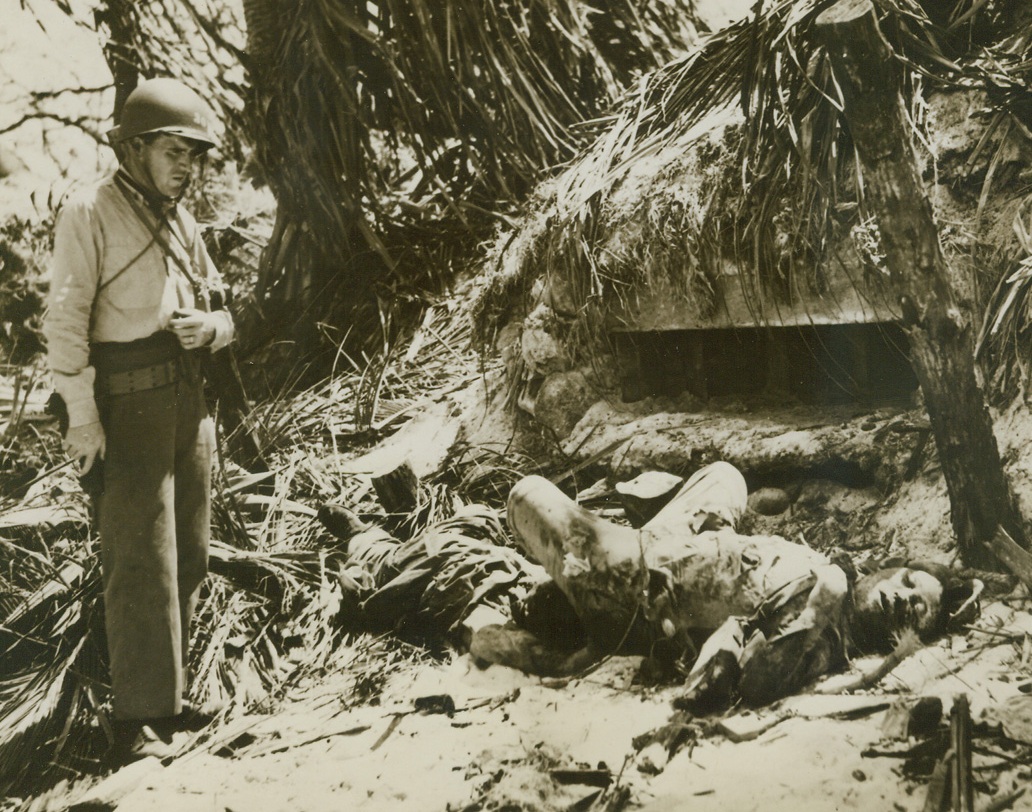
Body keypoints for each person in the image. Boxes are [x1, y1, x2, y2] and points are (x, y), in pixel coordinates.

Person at [43, 77, 234, 762]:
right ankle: (139, 722)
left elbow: (223, 305)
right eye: (174, 152)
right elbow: (64, 320)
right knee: (139, 559)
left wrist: (210, 329)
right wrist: (83, 419)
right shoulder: (89, 211)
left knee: (188, 548)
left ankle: (173, 705)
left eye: (194, 155)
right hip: (126, 402)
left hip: (187, 398)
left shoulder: (178, 217)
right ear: (134, 147)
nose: (188, 167)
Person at [470, 462, 983, 710]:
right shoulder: (843, 574)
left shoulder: (828, 637)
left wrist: (815, 612)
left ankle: (531, 622)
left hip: (635, 580)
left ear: (901, 636)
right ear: (894, 567)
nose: (903, 595)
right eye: (911, 581)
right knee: (725, 473)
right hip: (687, 542)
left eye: (914, 609)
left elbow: (757, 682)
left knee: (525, 494)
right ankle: (664, 522)